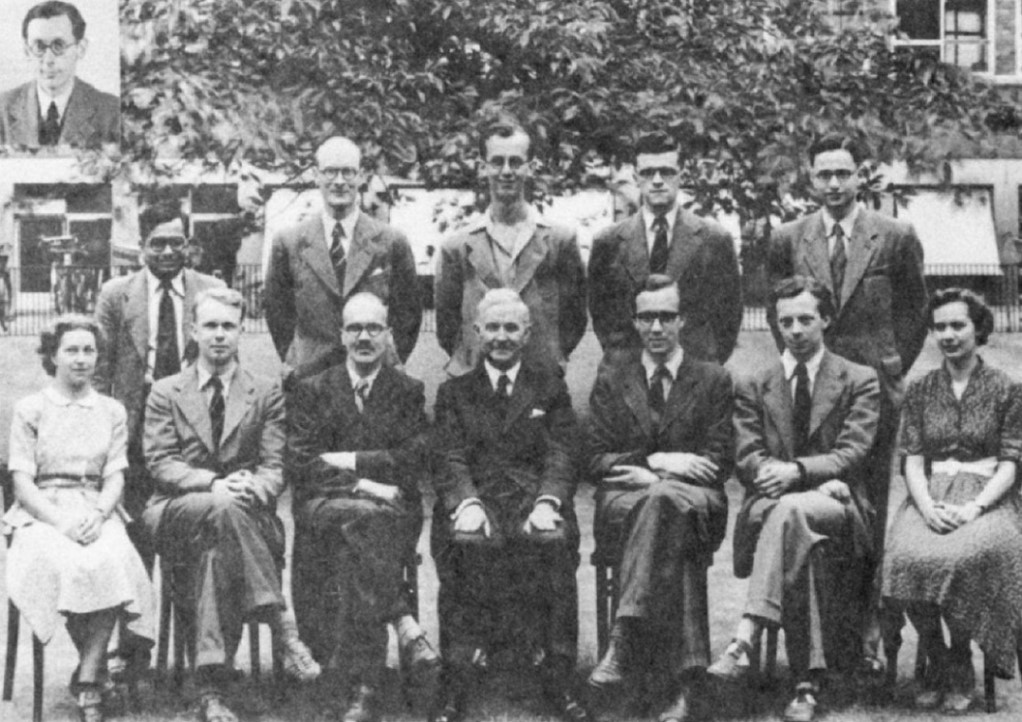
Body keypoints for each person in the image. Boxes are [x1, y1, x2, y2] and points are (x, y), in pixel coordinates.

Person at [707, 277, 880, 722]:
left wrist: (799, 472)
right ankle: (807, 683)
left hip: (839, 506)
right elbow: (747, 455)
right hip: (783, 506)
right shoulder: (754, 382)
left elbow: (853, 451)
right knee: (799, 533)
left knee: (790, 511)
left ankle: (745, 636)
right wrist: (802, 484)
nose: (796, 330)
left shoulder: (859, 379)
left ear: (827, 319)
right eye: (786, 322)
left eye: (805, 319)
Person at [142, 289, 316, 722]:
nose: (219, 335)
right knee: (222, 509)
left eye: (228, 326)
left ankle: (211, 690)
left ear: (241, 332)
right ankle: (280, 622)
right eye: (210, 326)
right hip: (177, 510)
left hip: (245, 512)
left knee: (216, 552)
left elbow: (275, 466)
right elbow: (160, 463)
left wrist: (255, 486)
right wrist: (214, 484)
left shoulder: (266, 391)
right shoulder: (165, 391)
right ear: (193, 331)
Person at [431, 288, 590, 722]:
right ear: (477, 331)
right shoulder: (454, 392)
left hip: (531, 498)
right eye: (493, 327)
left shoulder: (550, 387)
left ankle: (558, 678)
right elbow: (448, 455)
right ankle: (456, 681)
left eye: (511, 328)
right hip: (477, 498)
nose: (501, 336)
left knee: (554, 542)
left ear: (527, 333)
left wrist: (548, 501)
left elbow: (563, 452)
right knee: (463, 543)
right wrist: (466, 503)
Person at [585, 275, 733, 722]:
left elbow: (718, 461)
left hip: (696, 503)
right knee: (674, 530)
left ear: (682, 320)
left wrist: (655, 477)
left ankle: (624, 637)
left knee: (667, 502)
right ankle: (689, 682)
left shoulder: (712, 379)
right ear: (634, 322)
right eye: (647, 317)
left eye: (666, 316)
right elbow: (593, 458)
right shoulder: (613, 378)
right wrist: (659, 462)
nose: (656, 327)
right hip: (625, 504)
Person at [286, 292, 435, 722]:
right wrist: (369, 483)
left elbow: (412, 459)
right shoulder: (312, 388)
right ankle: (399, 624)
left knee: (360, 538)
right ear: (341, 335)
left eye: (373, 328)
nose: (364, 337)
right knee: (367, 522)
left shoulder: (407, 391)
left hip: (391, 511)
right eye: (354, 328)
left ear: (389, 335)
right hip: (327, 507)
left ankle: (353, 680)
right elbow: (302, 462)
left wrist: (349, 460)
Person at [93, 196, 225, 678]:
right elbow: (102, 372)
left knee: (193, 533)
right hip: (135, 434)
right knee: (134, 539)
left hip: (193, 433)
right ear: (141, 245)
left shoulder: (211, 291)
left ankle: (198, 650)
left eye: (176, 242)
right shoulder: (116, 295)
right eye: (157, 243)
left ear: (188, 244)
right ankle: (134, 646)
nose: (168, 252)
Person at [3, 315, 155, 722]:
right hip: (43, 512)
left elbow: (115, 475)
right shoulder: (31, 409)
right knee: (69, 562)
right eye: (71, 350)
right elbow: (22, 483)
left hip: (95, 507)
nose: (81, 358)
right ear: (53, 356)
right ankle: (95, 672)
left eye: (89, 350)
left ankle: (87, 675)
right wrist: (61, 522)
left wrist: (101, 514)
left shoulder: (111, 410)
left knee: (113, 556)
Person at [882, 288, 1022, 714]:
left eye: (957, 325)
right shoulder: (921, 389)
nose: (948, 335)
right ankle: (938, 654)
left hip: (989, 499)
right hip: (932, 495)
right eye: (939, 326)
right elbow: (912, 459)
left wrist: (974, 508)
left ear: (978, 329)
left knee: (963, 557)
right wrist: (926, 507)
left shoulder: (1006, 389)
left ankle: (961, 653)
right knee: (902, 557)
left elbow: (1011, 463)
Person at [434, 119, 587, 377]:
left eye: (515, 162)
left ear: (531, 167)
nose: (506, 171)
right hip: (475, 381)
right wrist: (471, 358)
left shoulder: (560, 241)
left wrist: (550, 355)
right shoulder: (457, 247)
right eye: (497, 161)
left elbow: (574, 318)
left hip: (541, 380)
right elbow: (447, 325)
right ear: (482, 167)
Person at [264, 135, 422, 375]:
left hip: (373, 375)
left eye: (348, 172)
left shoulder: (391, 242)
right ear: (316, 175)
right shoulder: (289, 243)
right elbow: (278, 314)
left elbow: (408, 315)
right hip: (311, 378)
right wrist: (297, 359)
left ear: (361, 176)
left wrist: (388, 363)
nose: (339, 182)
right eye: (330, 172)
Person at [587, 131, 742, 367]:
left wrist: (705, 370)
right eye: (648, 173)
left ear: (681, 174)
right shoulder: (607, 243)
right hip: (628, 375)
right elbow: (602, 318)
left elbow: (728, 319)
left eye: (666, 172)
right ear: (636, 177)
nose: (657, 180)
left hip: (694, 375)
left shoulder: (714, 240)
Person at [0, 1, 119, 150]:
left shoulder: (111, 112)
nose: (48, 60)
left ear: (81, 49)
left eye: (59, 46)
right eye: (39, 46)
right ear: (27, 51)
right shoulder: (3, 110)